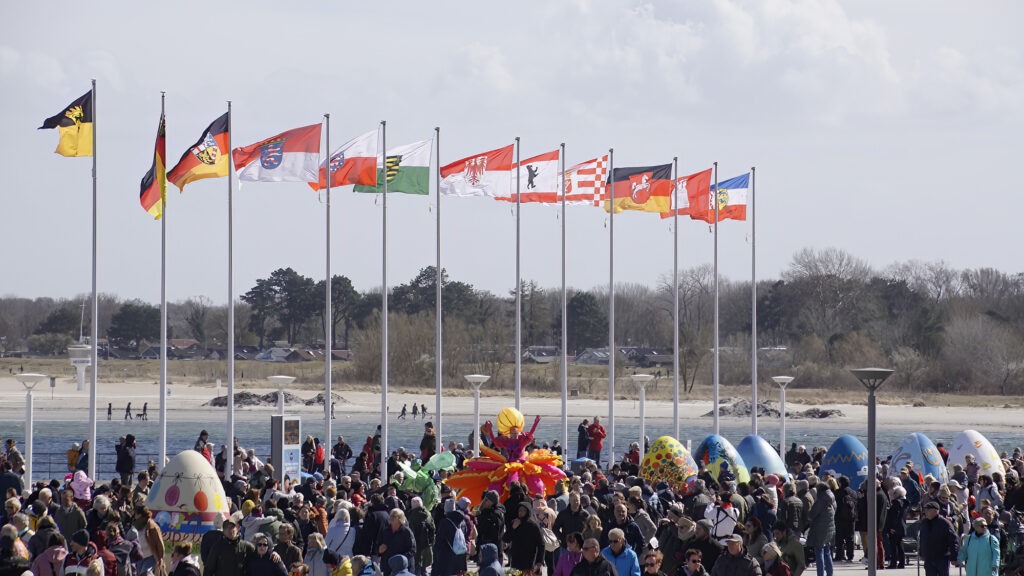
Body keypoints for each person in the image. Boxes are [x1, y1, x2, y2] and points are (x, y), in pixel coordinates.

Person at [918, 501, 959, 576]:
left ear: (935, 511)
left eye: (927, 510)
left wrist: (954, 557)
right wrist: (921, 553)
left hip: (942, 557)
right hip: (929, 557)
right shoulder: (924, 523)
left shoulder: (944, 523)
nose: (925, 512)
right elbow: (922, 538)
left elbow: (953, 540)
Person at [505, 501, 545, 575]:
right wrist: (513, 528)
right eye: (520, 510)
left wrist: (539, 561)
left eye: (524, 510)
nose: (521, 512)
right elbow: (506, 539)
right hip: (515, 561)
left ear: (528, 512)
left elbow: (541, 544)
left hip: (529, 562)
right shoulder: (514, 523)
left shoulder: (533, 526)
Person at [806, 483, 835, 576]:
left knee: (819, 552)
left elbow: (812, 514)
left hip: (820, 529)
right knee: (827, 552)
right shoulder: (831, 498)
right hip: (829, 528)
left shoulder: (821, 500)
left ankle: (820, 574)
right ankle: (830, 573)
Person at [379, 509, 416, 576]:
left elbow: (412, 550)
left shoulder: (406, 532)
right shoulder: (386, 531)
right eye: (390, 516)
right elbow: (378, 546)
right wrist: (379, 550)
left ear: (400, 518)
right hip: (388, 567)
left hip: (402, 568)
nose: (391, 518)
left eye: (394, 516)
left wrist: (400, 560)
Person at [133, 505, 165, 574]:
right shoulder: (136, 525)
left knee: (146, 573)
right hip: (140, 557)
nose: (134, 516)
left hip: (150, 556)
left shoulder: (151, 526)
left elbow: (159, 542)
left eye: (136, 514)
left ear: (140, 514)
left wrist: (160, 558)